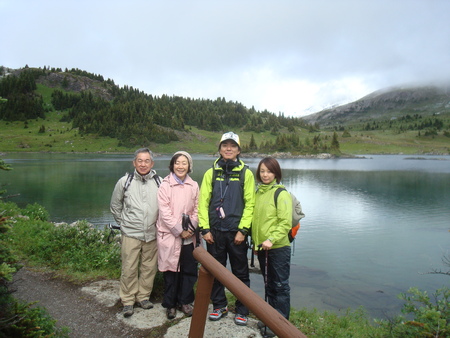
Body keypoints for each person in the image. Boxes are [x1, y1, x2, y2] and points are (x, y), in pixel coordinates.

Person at [198, 131, 255, 326]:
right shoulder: (211, 172)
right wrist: (204, 229)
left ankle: (242, 309)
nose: (228, 149)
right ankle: (219, 305)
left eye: (232, 146)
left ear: (239, 150)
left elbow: (250, 204)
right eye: (225, 145)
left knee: (240, 273)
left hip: (236, 234)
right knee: (215, 271)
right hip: (214, 233)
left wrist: (243, 230)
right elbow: (202, 202)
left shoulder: (246, 173)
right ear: (220, 149)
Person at [110, 148, 160, 318]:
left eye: (147, 161)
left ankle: (143, 297)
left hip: (152, 233)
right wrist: (123, 224)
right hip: (131, 233)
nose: (143, 164)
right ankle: (128, 300)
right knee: (129, 267)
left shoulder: (159, 182)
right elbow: (115, 206)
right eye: (140, 160)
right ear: (134, 163)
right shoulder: (125, 181)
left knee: (149, 267)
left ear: (152, 163)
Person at [252, 157, 293, 338]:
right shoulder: (259, 192)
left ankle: (281, 324)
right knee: (269, 285)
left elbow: (285, 223)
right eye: (262, 171)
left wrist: (271, 239)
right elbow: (257, 221)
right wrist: (256, 244)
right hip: (263, 248)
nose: (265, 174)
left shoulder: (281, 193)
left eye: (269, 171)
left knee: (280, 286)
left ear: (276, 173)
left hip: (278, 248)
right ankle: (271, 319)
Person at [156, 151, 199, 320]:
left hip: (189, 236)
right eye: (177, 163)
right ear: (172, 165)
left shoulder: (194, 185)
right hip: (169, 235)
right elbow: (164, 211)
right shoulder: (165, 185)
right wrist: (178, 229)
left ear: (189, 166)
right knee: (171, 270)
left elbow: (197, 208)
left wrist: (190, 228)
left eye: (184, 163)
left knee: (188, 270)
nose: (180, 166)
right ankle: (171, 304)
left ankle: (185, 302)